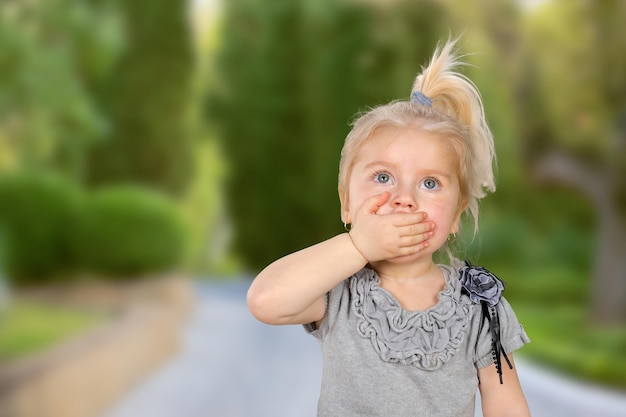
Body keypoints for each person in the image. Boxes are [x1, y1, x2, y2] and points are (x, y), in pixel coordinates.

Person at [247, 38, 531, 417]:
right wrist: (357, 246)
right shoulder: (338, 292)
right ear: (347, 203)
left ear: (456, 214)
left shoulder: (480, 304)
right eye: (383, 177)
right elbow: (265, 301)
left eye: (430, 183)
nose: (404, 198)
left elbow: (506, 403)